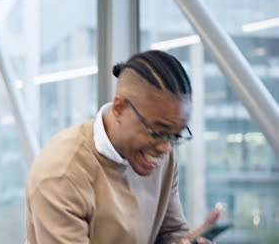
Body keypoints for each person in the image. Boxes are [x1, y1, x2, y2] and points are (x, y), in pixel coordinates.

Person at [25, 50, 216, 244]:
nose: (166, 148)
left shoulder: (163, 158)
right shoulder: (61, 172)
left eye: (175, 135)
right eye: (157, 131)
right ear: (119, 108)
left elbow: (172, 233)